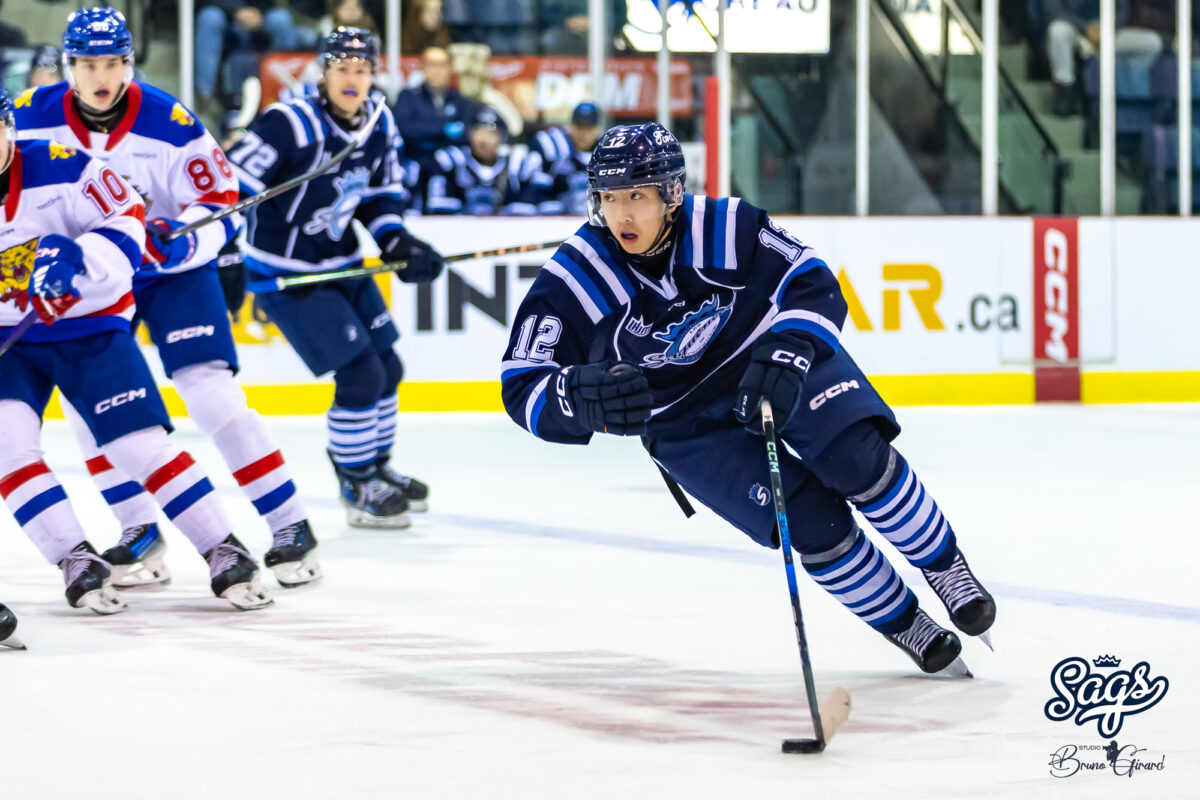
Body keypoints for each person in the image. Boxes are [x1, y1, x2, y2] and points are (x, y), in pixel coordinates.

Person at [499, 123, 997, 675]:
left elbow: (812, 280)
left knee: (858, 460)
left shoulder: (724, 224)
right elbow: (522, 381)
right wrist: (576, 399)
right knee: (809, 525)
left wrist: (789, 351)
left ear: (671, 194)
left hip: (771, 361)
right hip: (683, 421)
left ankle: (946, 568)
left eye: (637, 196)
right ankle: (905, 622)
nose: (622, 216)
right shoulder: (578, 274)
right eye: (610, 198)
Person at [14, 7, 319, 591]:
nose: (101, 76)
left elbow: (222, 204)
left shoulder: (169, 121)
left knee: (210, 395)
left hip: (167, 269)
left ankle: (288, 523)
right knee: (90, 409)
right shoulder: (28, 118)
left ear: (129, 63)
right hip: (93, 276)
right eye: (87, 64)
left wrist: (184, 243)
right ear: (68, 67)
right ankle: (140, 530)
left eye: (113, 63)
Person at [0, 86, 271, 613]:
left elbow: (127, 219)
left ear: (8, 126)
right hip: (9, 340)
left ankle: (223, 547)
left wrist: (78, 259)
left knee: (135, 446)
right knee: (9, 448)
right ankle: (75, 558)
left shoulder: (60, 164)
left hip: (89, 325)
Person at [227, 27, 444, 528]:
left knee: (388, 367)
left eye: (362, 70)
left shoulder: (379, 121)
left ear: (374, 74)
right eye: (342, 68)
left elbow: (381, 197)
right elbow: (233, 186)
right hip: (287, 274)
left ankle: (376, 466)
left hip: (341, 262)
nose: (352, 78)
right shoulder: (290, 123)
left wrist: (397, 242)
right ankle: (353, 479)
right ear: (324, 71)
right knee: (360, 373)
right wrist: (225, 255)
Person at [425, 106, 557, 215]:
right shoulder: (452, 162)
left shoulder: (516, 167)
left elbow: (526, 214)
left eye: (491, 133)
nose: (483, 139)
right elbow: (439, 212)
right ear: (470, 133)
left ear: (502, 137)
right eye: (478, 131)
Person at [392, 46, 476, 180]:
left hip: (452, 171)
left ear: (450, 68)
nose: (437, 70)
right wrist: (443, 128)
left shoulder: (461, 101)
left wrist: (426, 131)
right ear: (423, 67)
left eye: (442, 65)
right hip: (416, 167)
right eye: (432, 65)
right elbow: (404, 129)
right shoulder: (408, 97)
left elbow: (467, 133)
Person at [530, 100, 600, 216]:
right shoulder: (556, 150)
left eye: (588, 128)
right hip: (561, 219)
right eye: (579, 127)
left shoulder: (604, 155)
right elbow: (539, 191)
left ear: (597, 128)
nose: (583, 133)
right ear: (571, 126)